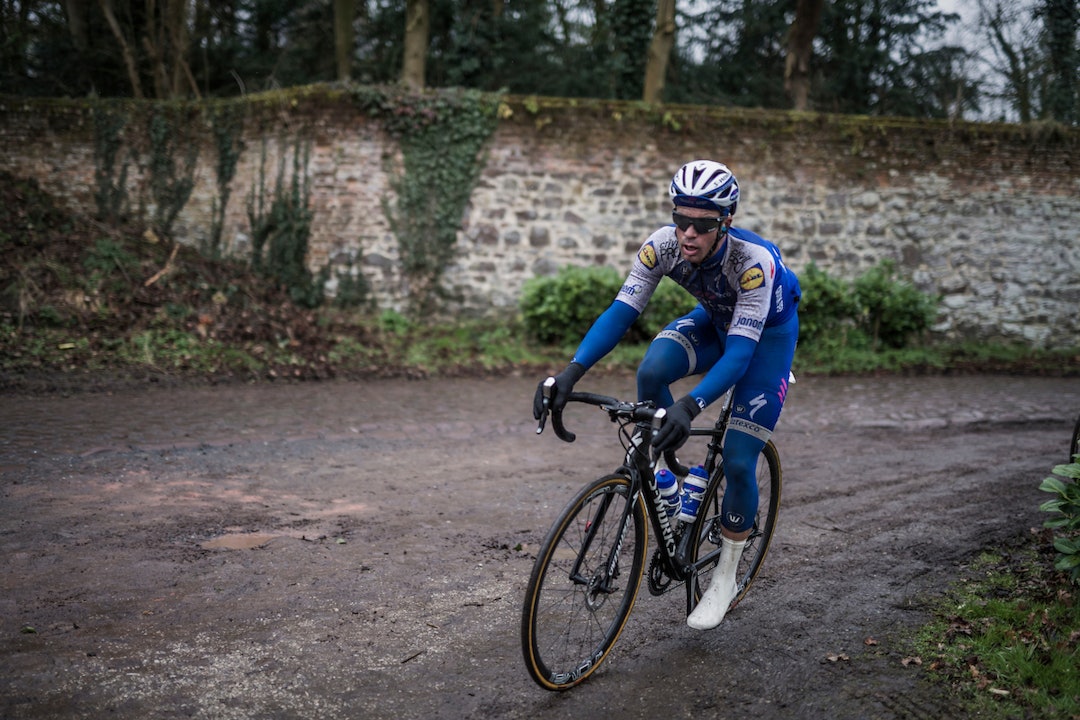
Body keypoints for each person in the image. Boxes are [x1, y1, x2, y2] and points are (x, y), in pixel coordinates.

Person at [532, 159, 801, 630]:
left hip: (764, 341)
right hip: (716, 321)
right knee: (652, 369)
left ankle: (725, 575)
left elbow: (738, 356)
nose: (688, 234)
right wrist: (569, 374)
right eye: (681, 220)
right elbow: (621, 312)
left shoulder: (753, 263)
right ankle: (671, 484)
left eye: (702, 224)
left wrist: (690, 405)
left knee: (738, 458)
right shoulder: (661, 247)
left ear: (726, 223)